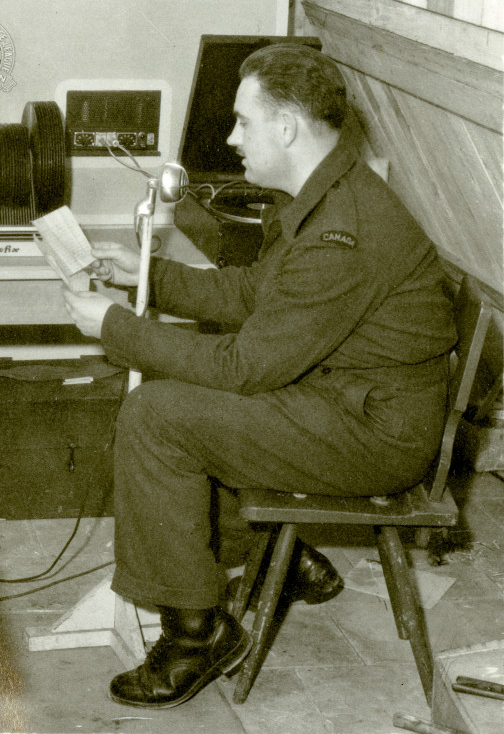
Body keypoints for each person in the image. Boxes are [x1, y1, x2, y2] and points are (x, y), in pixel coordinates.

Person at [63, 43, 455, 709]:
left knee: (156, 416)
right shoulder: (328, 192)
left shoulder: (342, 232)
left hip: (375, 435)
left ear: (286, 128)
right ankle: (285, 553)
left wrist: (114, 328)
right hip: (343, 396)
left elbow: (241, 367)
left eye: (243, 122)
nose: (230, 137)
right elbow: (251, 296)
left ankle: (198, 634)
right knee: (188, 402)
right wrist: (148, 276)